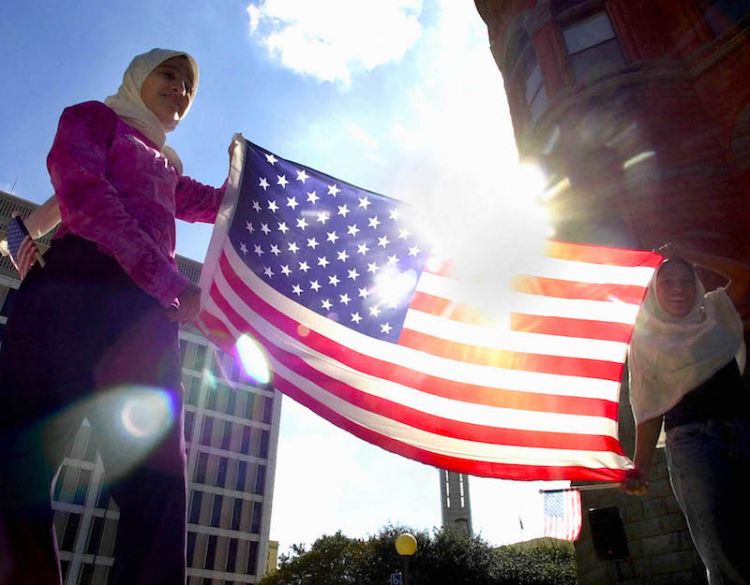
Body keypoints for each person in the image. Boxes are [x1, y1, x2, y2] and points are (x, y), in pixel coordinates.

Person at [0, 48, 228, 585]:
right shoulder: (92, 118)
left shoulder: (166, 168)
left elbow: (221, 203)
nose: (180, 91)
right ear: (137, 78)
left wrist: (254, 179)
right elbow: (84, 197)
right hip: (69, 296)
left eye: (189, 87)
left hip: (144, 320)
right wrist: (169, 281)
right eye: (169, 75)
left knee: (158, 484)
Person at [621, 243, 750, 585]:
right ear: (654, 289)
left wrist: (691, 251)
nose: (678, 289)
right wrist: (641, 465)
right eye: (667, 282)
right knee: (719, 541)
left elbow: (742, 275)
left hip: (742, 431)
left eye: (686, 280)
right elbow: (649, 407)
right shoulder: (647, 340)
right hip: (694, 445)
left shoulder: (715, 313)